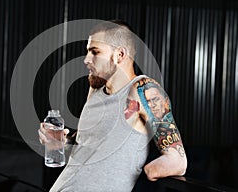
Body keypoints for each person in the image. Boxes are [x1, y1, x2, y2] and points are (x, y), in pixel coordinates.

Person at [39, 20, 187, 191]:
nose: (86, 59)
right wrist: (62, 141)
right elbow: (87, 141)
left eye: (95, 52)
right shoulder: (95, 90)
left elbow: (178, 161)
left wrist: (150, 171)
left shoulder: (144, 89)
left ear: (120, 55)